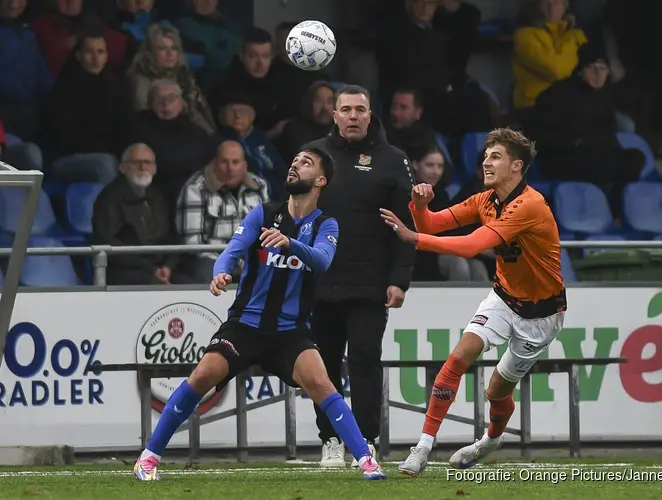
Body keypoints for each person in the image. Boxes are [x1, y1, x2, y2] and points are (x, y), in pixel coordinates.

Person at [132, 146, 387, 482]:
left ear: (321, 180)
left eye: (306, 163)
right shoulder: (263, 214)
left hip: (290, 331)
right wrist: (221, 273)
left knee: (322, 383)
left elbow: (323, 261)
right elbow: (230, 252)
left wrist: (290, 244)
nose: (295, 164)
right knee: (202, 376)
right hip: (246, 325)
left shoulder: (326, 223)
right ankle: (148, 459)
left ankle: (368, 461)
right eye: (294, 159)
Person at [379, 128, 567, 475]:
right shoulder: (484, 200)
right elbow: (433, 224)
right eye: (485, 155)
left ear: (517, 166)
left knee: (496, 390)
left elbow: (469, 247)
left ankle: (491, 439)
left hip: (541, 314)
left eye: (496, 156)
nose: (486, 161)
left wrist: (413, 237)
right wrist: (419, 207)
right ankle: (422, 447)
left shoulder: (530, 205)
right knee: (458, 358)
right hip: (504, 297)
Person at [306, 85, 416, 468]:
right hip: (320, 281)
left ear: (371, 115)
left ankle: (365, 441)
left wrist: (399, 279)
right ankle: (331, 440)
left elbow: (407, 225)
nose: (353, 116)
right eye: (346, 109)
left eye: (360, 110)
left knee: (366, 358)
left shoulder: (393, 159)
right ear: (333, 115)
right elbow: (292, 211)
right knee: (323, 365)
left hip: (370, 283)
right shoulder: (314, 155)